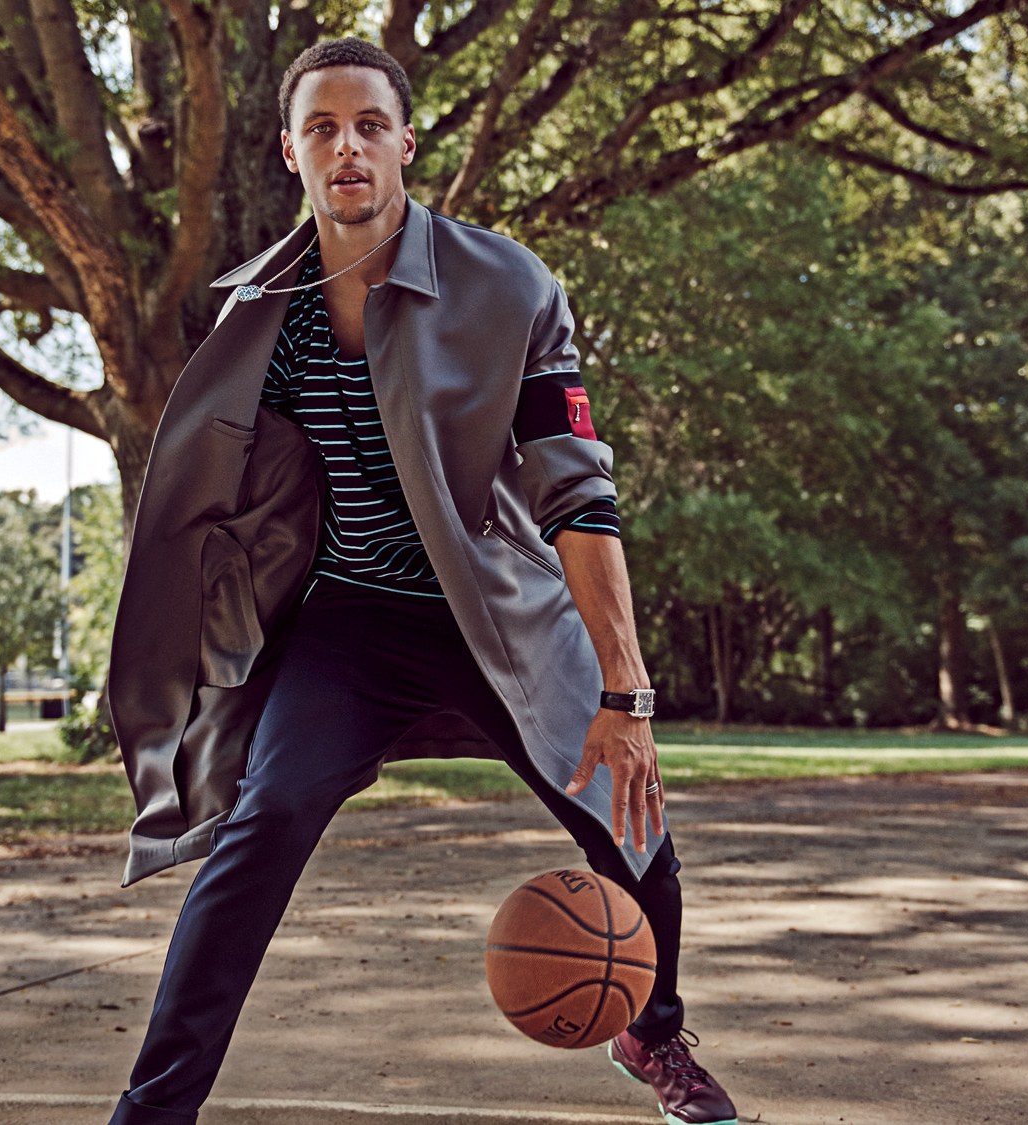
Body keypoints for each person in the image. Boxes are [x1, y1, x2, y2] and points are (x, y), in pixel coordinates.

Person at [101, 36, 738, 1125]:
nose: (345, 147)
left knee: (634, 836)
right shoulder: (261, 312)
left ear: (406, 142)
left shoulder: (508, 284)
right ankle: (152, 1112)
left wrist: (625, 692)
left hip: (501, 613)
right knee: (260, 826)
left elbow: (576, 490)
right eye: (321, 128)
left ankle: (653, 1031)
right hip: (352, 621)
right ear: (291, 150)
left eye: (367, 126)